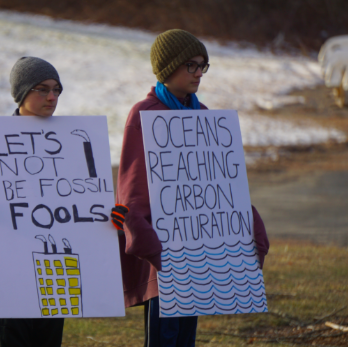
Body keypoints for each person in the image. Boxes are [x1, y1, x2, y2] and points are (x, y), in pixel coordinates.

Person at [114, 29, 270, 347]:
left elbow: (224, 184)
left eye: (203, 66)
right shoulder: (144, 114)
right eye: (191, 65)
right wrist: (151, 246)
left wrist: (251, 226)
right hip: (164, 257)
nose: (199, 73)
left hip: (201, 257)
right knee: (164, 338)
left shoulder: (204, 116)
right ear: (168, 67)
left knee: (186, 339)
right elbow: (131, 189)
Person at [0, 56, 65, 347]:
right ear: (22, 93)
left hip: (56, 264)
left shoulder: (70, 138)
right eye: (42, 89)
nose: (52, 96)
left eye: (57, 89)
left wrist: (106, 216)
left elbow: (79, 199)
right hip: (11, 266)